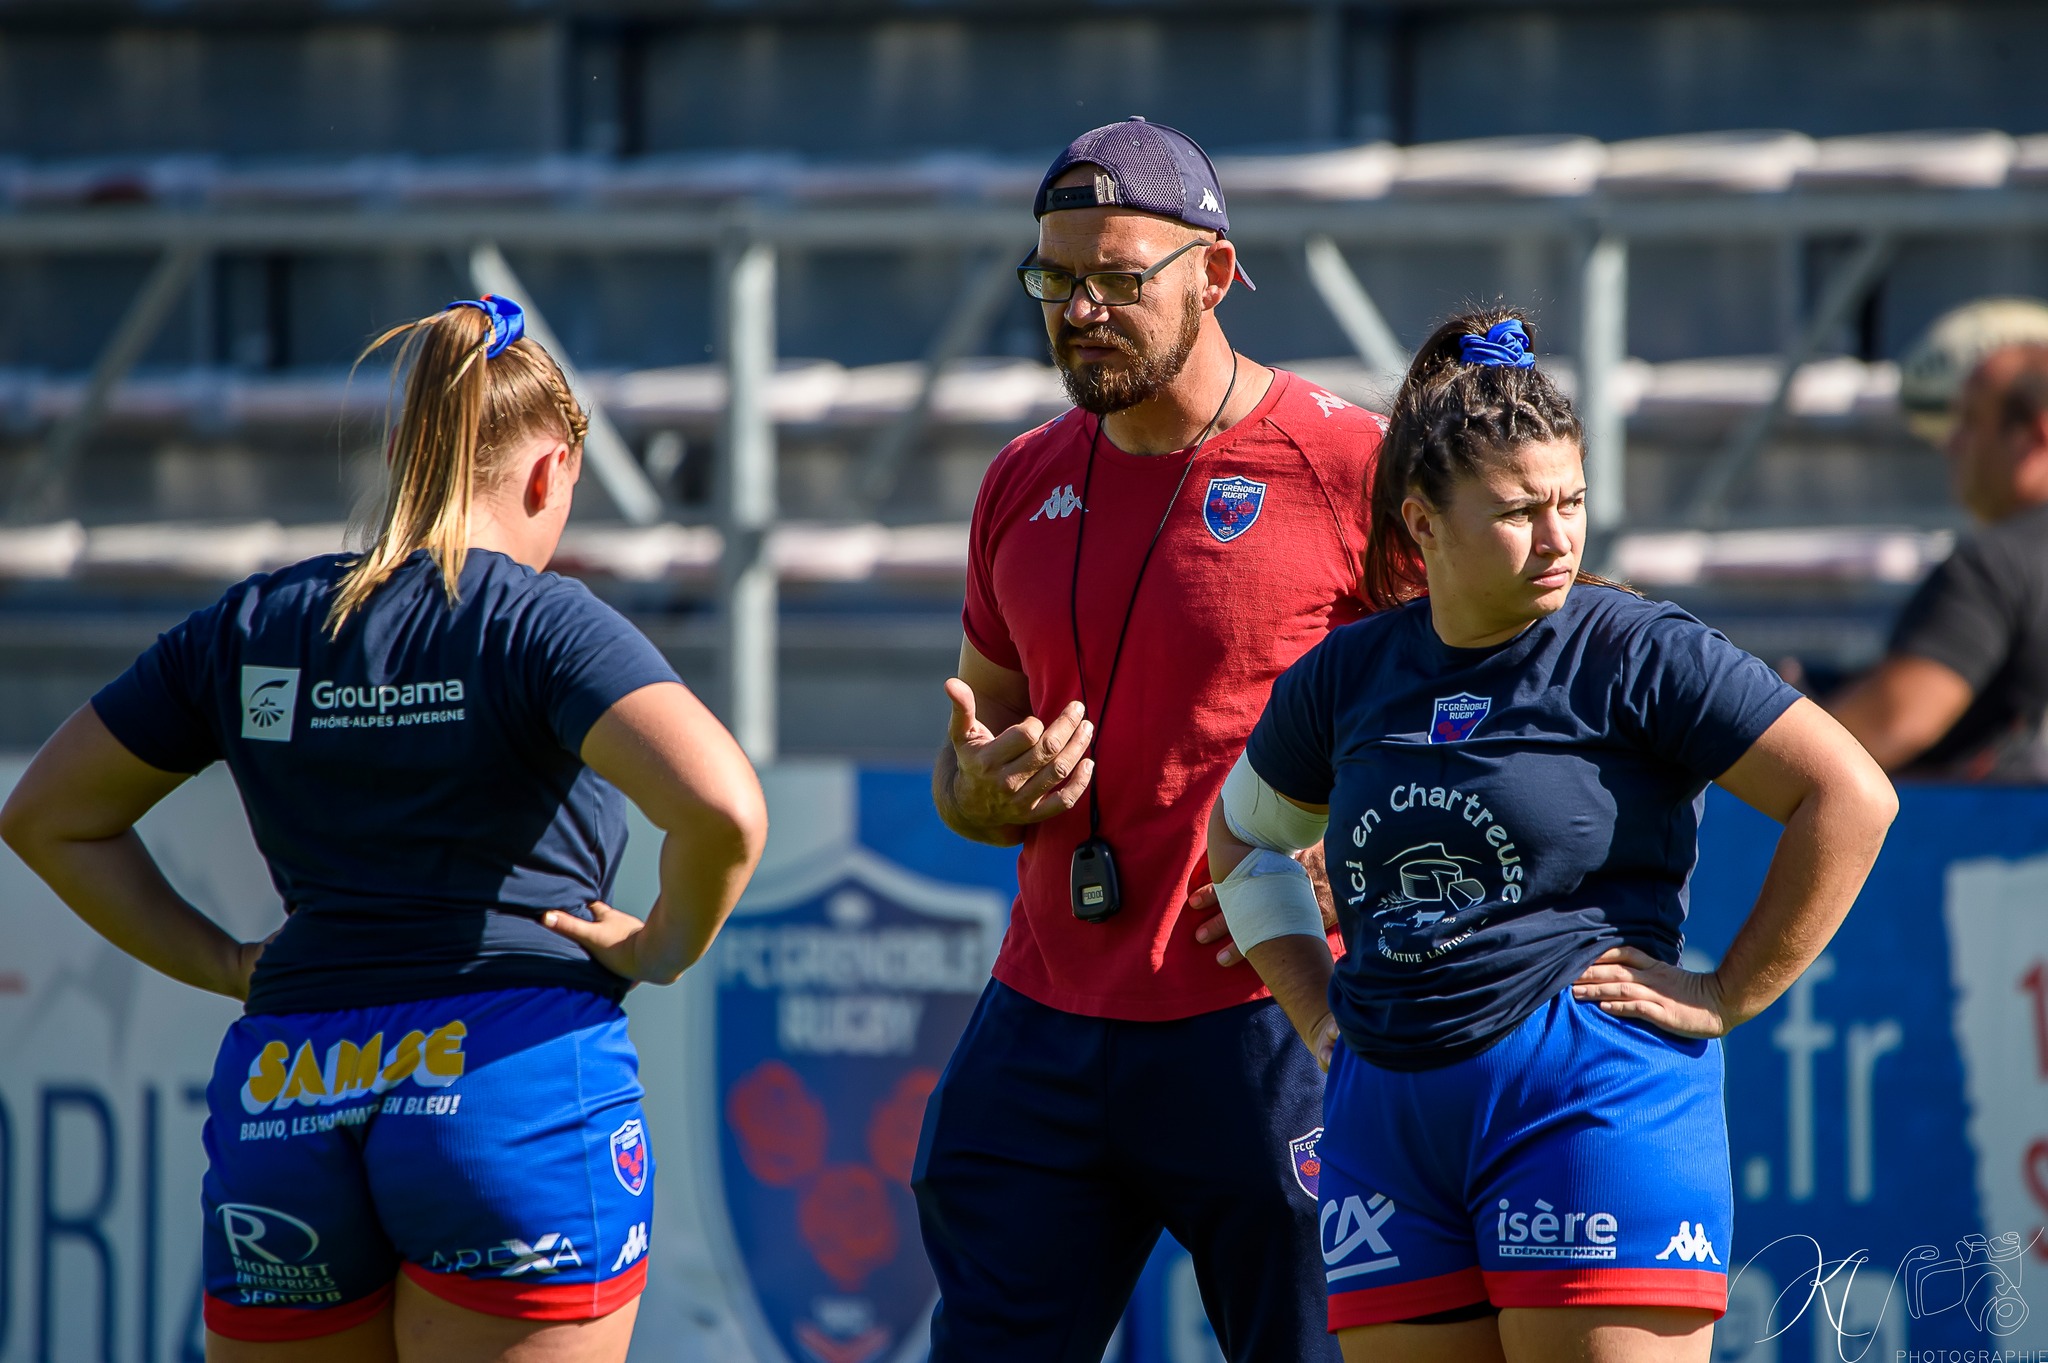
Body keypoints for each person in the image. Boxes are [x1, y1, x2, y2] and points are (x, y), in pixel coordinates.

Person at [0, 297, 767, 1363]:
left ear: (408, 453)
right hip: (506, 1086)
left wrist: (225, 962)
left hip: (289, 1096)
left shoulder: (253, 626)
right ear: (549, 473)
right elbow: (723, 806)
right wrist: (662, 946)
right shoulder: (539, 620)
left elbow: (47, 817)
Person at [1206, 309, 1896, 1362]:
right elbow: (1243, 840)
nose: (1558, 536)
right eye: (1517, 511)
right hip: (1385, 1118)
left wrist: (1728, 991)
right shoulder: (1348, 674)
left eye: (1569, 500)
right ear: (1422, 522)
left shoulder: (1636, 650)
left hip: (1587, 1095)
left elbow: (1849, 795)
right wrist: (1315, 1012)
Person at [913, 117, 1382, 1362]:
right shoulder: (1019, 478)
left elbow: (1489, 714)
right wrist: (978, 790)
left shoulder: (1349, 466)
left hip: (1268, 1005)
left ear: (1213, 273)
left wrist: (1367, 851)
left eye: (1117, 279)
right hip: (1044, 1014)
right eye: (1054, 278)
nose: (1079, 310)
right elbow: (964, 761)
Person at [1831, 340, 2048, 778]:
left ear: (2035, 436)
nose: (1951, 444)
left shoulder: (1996, 565)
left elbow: (1891, 725)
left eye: (1970, 421)